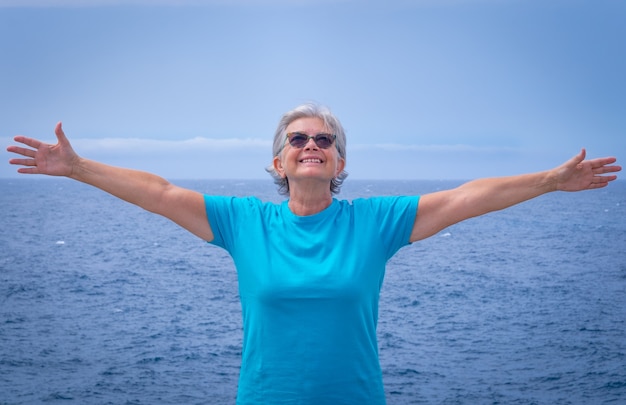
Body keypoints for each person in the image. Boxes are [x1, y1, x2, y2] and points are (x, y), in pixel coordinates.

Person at [6, 103, 621, 404]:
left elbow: (466, 197)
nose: (311, 145)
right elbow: (161, 192)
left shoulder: (376, 222)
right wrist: (79, 168)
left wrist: (548, 180)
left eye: (324, 140)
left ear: (340, 162)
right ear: (277, 161)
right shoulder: (242, 222)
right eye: (297, 139)